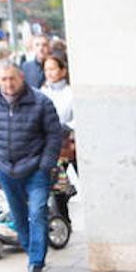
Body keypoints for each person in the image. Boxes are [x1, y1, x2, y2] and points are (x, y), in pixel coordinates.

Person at [0, 59, 62, 272]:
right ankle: (30, 248)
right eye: (3, 79)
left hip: (35, 168)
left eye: (12, 78)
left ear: (21, 77)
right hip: (6, 169)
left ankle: (36, 262)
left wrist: (45, 165)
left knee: (37, 212)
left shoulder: (41, 102)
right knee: (19, 216)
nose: (8, 84)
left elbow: (54, 135)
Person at [39, 54, 76, 223]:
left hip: (71, 143)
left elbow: (78, 117)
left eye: (53, 68)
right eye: (46, 69)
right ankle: (64, 221)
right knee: (58, 186)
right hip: (51, 146)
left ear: (63, 71)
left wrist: (68, 127)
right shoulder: (41, 93)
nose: (49, 73)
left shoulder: (71, 92)